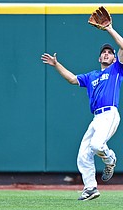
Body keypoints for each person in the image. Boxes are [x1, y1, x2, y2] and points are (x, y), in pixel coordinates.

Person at [41, 21, 123, 201]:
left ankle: (110, 160)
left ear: (115, 58)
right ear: (99, 58)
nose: (107, 54)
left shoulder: (117, 70)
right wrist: (56, 64)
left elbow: (122, 45)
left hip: (110, 114)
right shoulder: (91, 75)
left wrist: (109, 29)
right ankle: (91, 188)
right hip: (96, 118)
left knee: (96, 145)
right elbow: (71, 79)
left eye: (110, 53)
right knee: (83, 154)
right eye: (104, 53)